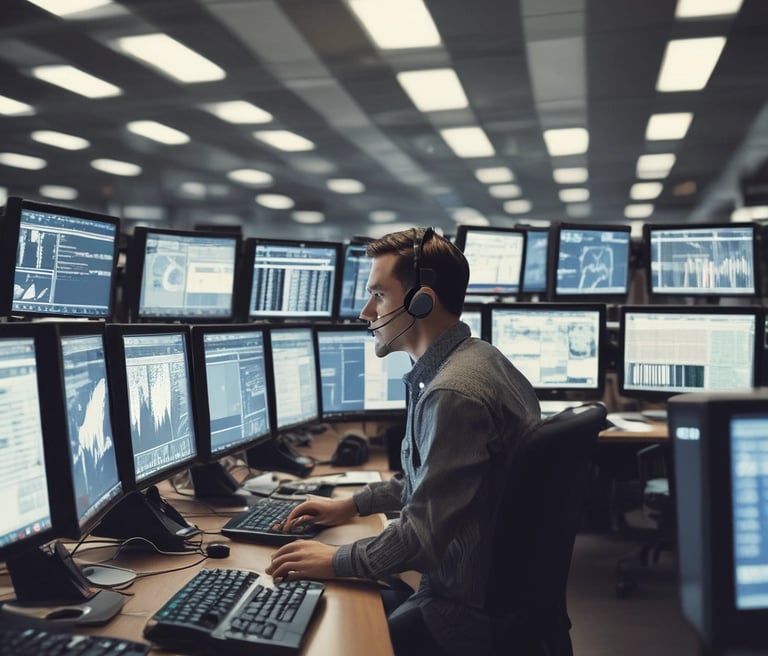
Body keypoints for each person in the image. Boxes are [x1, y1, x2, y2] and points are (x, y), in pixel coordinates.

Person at [266, 227, 541, 655]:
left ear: (421, 301)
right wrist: (351, 504)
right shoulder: (474, 359)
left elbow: (420, 537)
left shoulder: (453, 393)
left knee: (320, 635)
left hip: (460, 614)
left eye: (378, 295)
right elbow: (435, 480)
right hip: (482, 593)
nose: (364, 312)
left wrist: (331, 559)